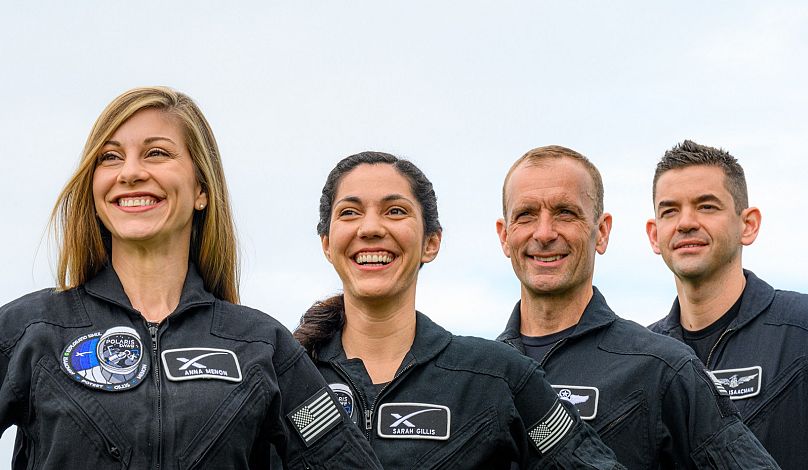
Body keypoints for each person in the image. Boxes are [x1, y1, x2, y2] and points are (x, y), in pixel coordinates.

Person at [0, 87, 381, 469]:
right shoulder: (29, 331)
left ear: (201, 189)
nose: (130, 172)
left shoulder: (261, 346)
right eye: (110, 157)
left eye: (157, 153)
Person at [294, 151, 623, 469]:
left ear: (431, 242)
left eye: (395, 211)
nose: (370, 228)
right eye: (349, 212)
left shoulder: (497, 376)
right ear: (326, 243)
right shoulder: (289, 378)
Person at [495, 145, 779, 468]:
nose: (544, 233)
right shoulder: (477, 379)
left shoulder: (664, 368)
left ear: (601, 233)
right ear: (505, 236)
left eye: (565, 213)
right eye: (526, 215)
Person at [646, 140, 808, 469]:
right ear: (654, 234)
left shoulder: (800, 329)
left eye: (707, 206)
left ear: (747, 225)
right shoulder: (642, 356)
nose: (686, 222)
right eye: (670, 210)